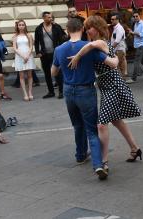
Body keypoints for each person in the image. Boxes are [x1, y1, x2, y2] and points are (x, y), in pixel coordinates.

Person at [68, 15, 142, 175]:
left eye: (90, 27)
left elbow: (92, 47)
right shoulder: (97, 43)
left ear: (99, 28)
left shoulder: (100, 42)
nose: (88, 30)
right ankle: (135, 149)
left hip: (112, 84)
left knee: (102, 124)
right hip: (106, 85)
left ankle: (104, 161)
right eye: (86, 28)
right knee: (116, 121)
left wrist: (77, 56)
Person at [51, 18, 118, 180]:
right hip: (86, 90)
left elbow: (53, 73)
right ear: (82, 29)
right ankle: (98, 165)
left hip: (68, 90)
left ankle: (80, 155)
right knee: (91, 129)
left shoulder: (59, 49)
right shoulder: (89, 48)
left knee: (77, 125)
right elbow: (110, 63)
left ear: (67, 30)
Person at [35, 11, 66, 99]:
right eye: (48, 17)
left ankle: (61, 91)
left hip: (55, 53)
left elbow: (63, 37)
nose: (51, 19)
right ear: (44, 18)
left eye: (51, 17)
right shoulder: (39, 28)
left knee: (58, 72)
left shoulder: (56, 26)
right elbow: (36, 41)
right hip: (44, 54)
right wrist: (38, 52)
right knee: (47, 73)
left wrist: (61, 50)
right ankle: (51, 92)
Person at [13, 20, 35, 101]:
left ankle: (30, 93)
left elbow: (31, 46)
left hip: (28, 56)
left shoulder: (29, 35)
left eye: (23, 25)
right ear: (17, 26)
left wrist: (27, 55)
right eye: (20, 25)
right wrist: (22, 56)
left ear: (25, 26)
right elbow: (15, 48)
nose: (21, 26)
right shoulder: (15, 36)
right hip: (19, 56)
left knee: (30, 75)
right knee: (21, 76)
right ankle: (25, 94)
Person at [110, 14, 128, 80]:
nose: (111, 20)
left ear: (117, 20)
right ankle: (122, 80)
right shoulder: (116, 28)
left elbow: (117, 41)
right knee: (120, 65)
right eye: (111, 19)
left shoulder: (119, 28)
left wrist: (110, 48)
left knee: (118, 65)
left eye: (113, 19)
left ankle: (121, 80)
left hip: (119, 49)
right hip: (117, 50)